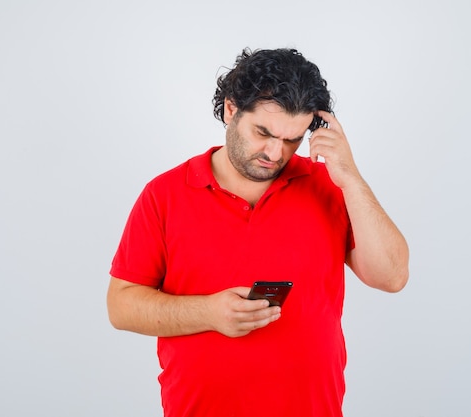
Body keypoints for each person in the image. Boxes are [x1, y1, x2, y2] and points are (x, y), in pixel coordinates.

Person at [107, 47, 409, 417]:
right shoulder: (165, 194)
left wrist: (351, 177)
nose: (274, 152)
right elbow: (121, 306)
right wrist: (208, 312)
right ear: (231, 110)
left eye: (291, 139)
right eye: (263, 132)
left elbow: (392, 277)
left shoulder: (329, 186)